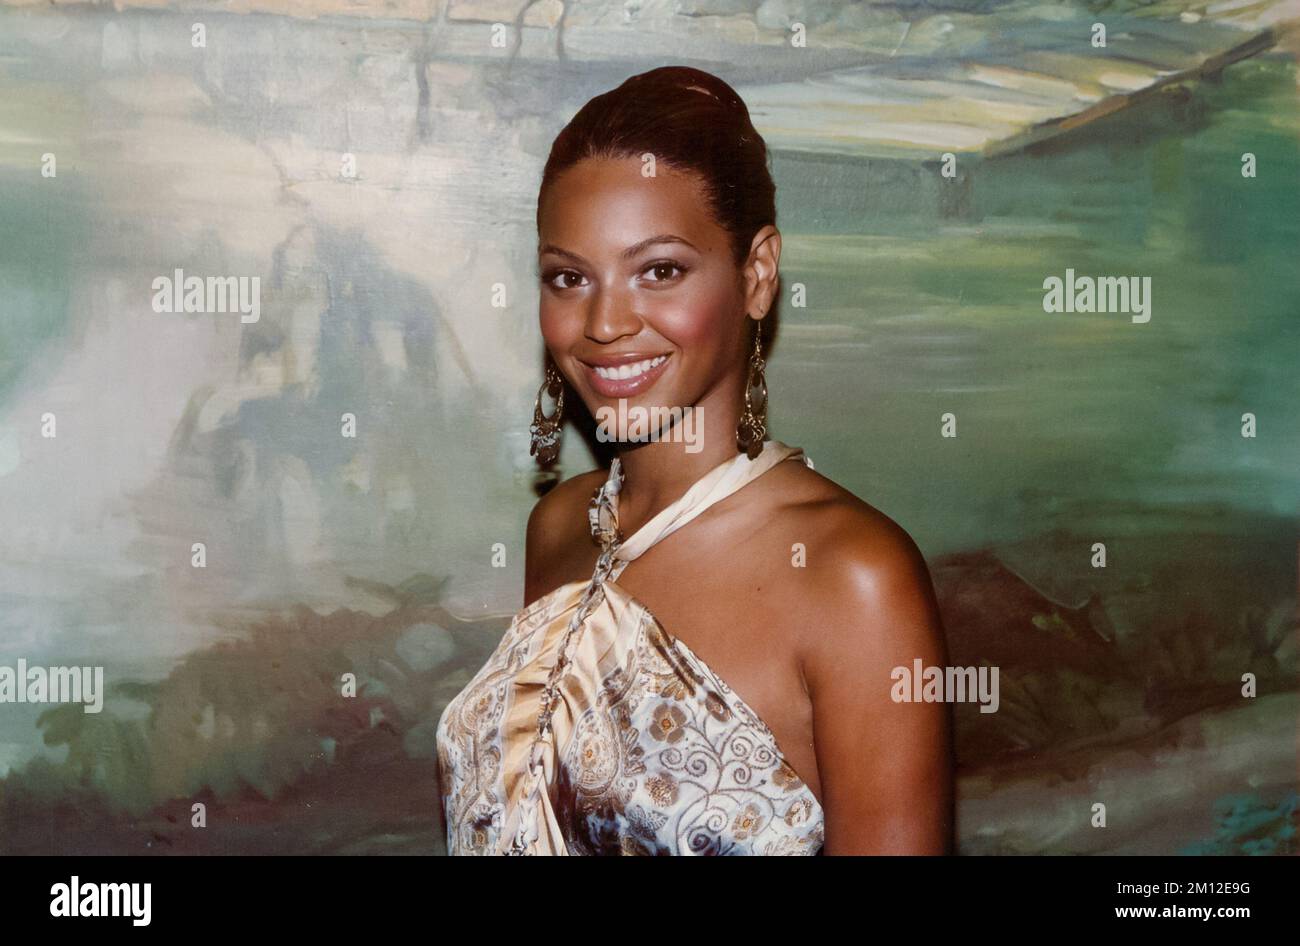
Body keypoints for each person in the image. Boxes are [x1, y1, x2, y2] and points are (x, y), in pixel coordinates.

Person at [436, 65, 952, 855]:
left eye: (660, 270)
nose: (604, 323)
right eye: (569, 278)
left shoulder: (853, 578)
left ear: (757, 274)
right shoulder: (560, 528)